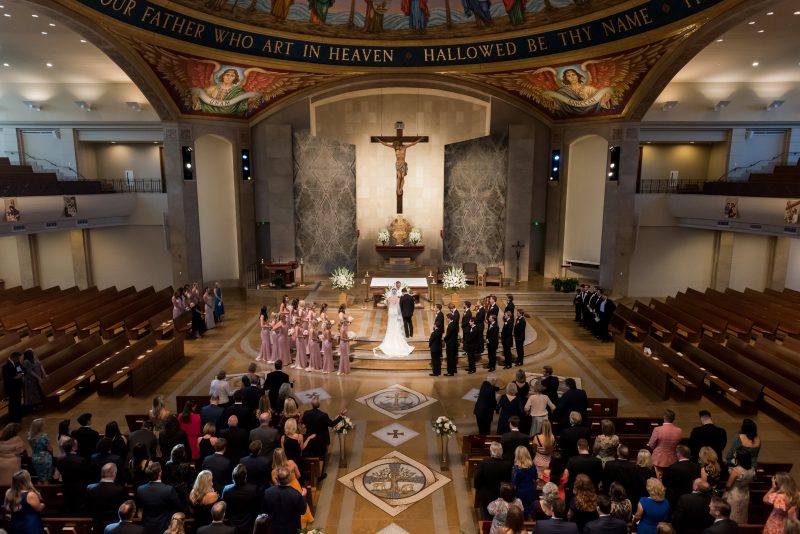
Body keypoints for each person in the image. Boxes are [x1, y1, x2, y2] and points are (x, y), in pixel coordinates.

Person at [135, 462, 181, 534]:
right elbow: (178, 507)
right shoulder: (169, 489)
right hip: (164, 527)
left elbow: (140, 509)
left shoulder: (140, 489)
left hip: (147, 527)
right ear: (160, 473)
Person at [261, 466, 308, 534]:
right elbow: (303, 511)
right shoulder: (295, 494)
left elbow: (264, 510)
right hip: (292, 530)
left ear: (278, 478)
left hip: (274, 529)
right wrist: (303, 497)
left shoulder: (268, 492)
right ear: (289, 478)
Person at [474, 442, 512, 521]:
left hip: (486, 495)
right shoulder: (507, 465)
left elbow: (477, 479)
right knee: (499, 517)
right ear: (501, 452)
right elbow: (508, 481)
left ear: (491, 451)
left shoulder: (484, 463)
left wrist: (478, 488)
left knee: (485, 516)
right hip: (501, 495)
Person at [87, 463, 127, 534]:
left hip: (97, 525)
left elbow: (88, 507)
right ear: (114, 474)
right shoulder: (120, 490)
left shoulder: (90, 489)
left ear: (102, 473)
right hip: (114, 526)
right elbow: (123, 510)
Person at [301, 398, 344, 463]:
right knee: (322, 455)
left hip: (310, 438)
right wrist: (340, 416)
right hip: (321, 440)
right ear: (319, 405)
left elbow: (303, 423)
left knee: (312, 453)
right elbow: (332, 424)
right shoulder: (323, 415)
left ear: (311, 404)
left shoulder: (306, 413)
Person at [221, 464, 260, 534]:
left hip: (231, 526)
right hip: (248, 526)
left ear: (233, 476)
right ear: (245, 476)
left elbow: (224, 508)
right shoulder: (253, 489)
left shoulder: (226, 489)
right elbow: (256, 508)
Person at [375, 288, 414, 357]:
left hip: (391, 313)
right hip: (395, 313)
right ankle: (403, 336)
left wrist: (389, 312)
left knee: (390, 325)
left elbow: (388, 307)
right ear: (396, 292)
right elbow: (399, 308)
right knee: (397, 325)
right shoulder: (398, 298)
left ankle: (390, 338)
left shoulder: (389, 299)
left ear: (391, 292)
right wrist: (399, 315)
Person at [603, 445, 643, 509]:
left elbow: (605, 482)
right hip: (628, 498)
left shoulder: (609, 464)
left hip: (612, 497)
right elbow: (638, 484)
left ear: (618, 453)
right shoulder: (634, 467)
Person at [722, 448, 755, 524]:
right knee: (742, 513)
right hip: (745, 493)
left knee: (733, 513)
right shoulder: (752, 469)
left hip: (735, 494)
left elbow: (728, 485)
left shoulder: (736, 471)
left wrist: (725, 491)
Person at [662, 445, 701, 510]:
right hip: (692, 499)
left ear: (679, 454)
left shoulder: (672, 468)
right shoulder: (697, 467)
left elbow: (665, 483)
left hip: (676, 500)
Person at [512, 446, 538, 520]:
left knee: (520, 512)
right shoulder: (533, 466)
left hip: (520, 493)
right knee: (530, 512)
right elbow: (535, 480)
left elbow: (514, 484)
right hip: (531, 491)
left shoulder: (516, 469)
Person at [2, 351, 25, 423]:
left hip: (18, 385)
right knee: (12, 403)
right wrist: (14, 377)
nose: (19, 359)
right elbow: (6, 378)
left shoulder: (17, 363)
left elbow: (24, 370)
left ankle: (18, 417)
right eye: (17, 358)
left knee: (18, 401)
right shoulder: (6, 366)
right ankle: (13, 419)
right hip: (11, 387)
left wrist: (21, 374)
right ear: (13, 358)